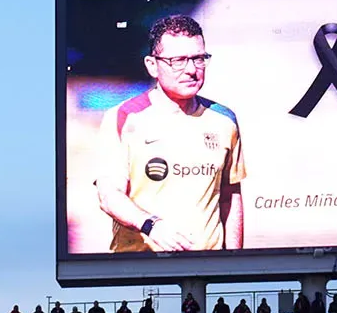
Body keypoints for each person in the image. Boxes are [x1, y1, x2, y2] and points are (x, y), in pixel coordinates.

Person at [94, 14, 245, 253]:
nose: (191, 70)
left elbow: (230, 196)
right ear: (152, 65)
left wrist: (234, 260)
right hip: (141, 267)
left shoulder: (225, 119)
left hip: (207, 268)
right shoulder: (124, 116)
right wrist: (151, 225)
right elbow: (109, 195)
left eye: (199, 59)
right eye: (178, 60)